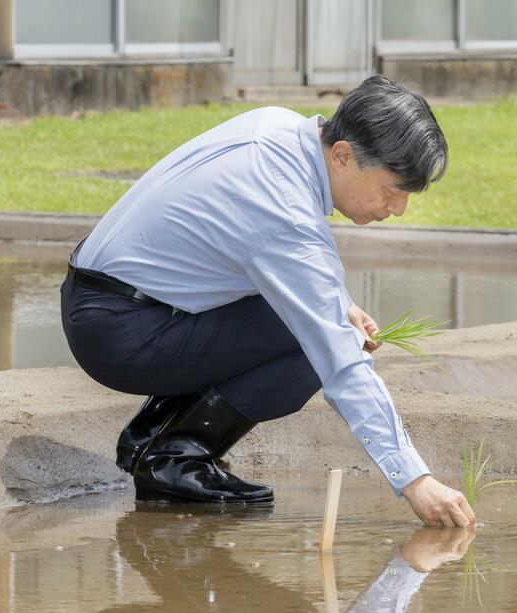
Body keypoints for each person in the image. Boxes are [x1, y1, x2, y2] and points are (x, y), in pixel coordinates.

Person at [60, 75, 475, 528]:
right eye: (392, 191)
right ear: (342, 155)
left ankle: (148, 434)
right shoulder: (284, 209)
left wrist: (340, 304)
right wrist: (416, 480)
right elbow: (341, 363)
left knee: (321, 318)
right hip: (121, 331)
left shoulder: (278, 127)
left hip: (110, 299)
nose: (397, 210)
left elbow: (259, 249)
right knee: (320, 340)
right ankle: (175, 458)